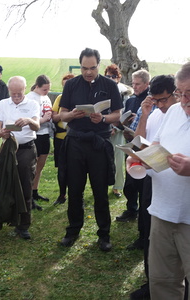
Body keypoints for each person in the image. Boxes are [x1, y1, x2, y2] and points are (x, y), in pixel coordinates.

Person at [127, 62, 190, 299]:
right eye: (179, 93)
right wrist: (140, 159)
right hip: (162, 213)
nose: (184, 100)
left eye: (189, 93)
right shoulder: (173, 111)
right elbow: (157, 145)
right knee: (162, 282)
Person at [59, 48, 123, 251]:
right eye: (84, 68)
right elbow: (62, 114)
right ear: (80, 66)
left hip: (99, 143)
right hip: (76, 142)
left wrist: (103, 118)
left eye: (92, 68)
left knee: (100, 191)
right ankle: (73, 231)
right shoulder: (71, 84)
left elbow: (117, 115)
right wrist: (72, 116)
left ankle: (104, 234)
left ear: (99, 65)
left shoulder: (109, 85)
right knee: (75, 190)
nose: (88, 72)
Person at [0, 76, 40, 243]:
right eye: (13, 94)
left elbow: (37, 125)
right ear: (9, 91)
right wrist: (0, 133)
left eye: (19, 94)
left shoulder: (32, 104)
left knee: (25, 186)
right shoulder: (2, 104)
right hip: (7, 148)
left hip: (26, 149)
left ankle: (23, 225)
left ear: (25, 90)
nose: (16, 97)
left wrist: (29, 121)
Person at [116, 69, 151, 223]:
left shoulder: (151, 101)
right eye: (133, 83)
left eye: (138, 84)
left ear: (146, 84)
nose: (134, 87)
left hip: (146, 147)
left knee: (142, 184)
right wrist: (124, 127)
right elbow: (122, 120)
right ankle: (131, 209)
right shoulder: (130, 100)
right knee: (130, 183)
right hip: (131, 146)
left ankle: (144, 213)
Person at [104, 64, 133, 198]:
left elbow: (125, 114)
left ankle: (117, 187)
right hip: (103, 131)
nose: (110, 78)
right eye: (108, 76)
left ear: (118, 78)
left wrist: (116, 127)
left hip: (119, 131)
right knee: (102, 160)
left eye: (113, 76)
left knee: (118, 159)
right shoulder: (102, 91)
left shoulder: (123, 93)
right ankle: (102, 185)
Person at [26, 75, 53, 210]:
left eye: (48, 89)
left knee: (40, 166)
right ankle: (28, 196)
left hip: (45, 134)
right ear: (37, 86)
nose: (46, 92)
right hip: (34, 135)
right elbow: (29, 120)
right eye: (44, 89)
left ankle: (35, 191)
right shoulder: (30, 98)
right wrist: (42, 120)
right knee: (32, 166)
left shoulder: (46, 97)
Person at [52, 73, 75, 205]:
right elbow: (54, 117)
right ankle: (62, 194)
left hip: (75, 139)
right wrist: (66, 115)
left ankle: (76, 196)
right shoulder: (60, 98)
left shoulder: (79, 98)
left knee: (76, 169)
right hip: (60, 138)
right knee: (62, 168)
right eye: (65, 85)